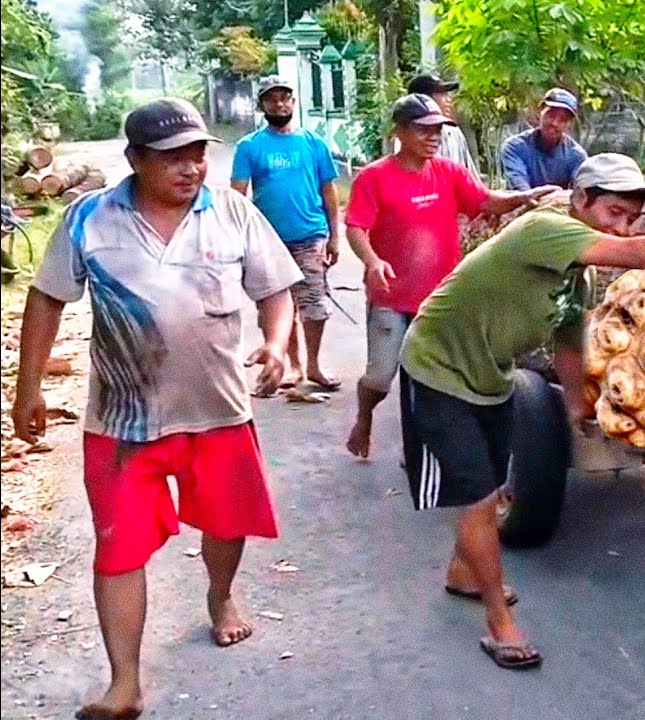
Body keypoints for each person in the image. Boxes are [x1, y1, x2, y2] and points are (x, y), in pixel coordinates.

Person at [396, 153, 645, 670]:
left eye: (631, 218)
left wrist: (576, 405)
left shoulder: (576, 279)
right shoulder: (543, 228)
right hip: (438, 368)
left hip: (490, 375)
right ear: (580, 200)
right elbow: (639, 252)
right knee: (479, 497)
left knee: (486, 480)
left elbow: (567, 342)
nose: (622, 226)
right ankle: (500, 622)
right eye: (613, 212)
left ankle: (462, 573)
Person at [10, 98, 299, 720]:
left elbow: (276, 290)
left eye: (197, 154)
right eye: (172, 157)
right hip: (122, 422)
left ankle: (220, 594)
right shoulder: (89, 218)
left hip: (219, 410)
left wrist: (277, 345)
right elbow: (46, 299)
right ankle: (125, 684)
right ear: (135, 159)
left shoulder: (232, 212)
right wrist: (27, 387)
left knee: (227, 523)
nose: (190, 167)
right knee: (118, 548)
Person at [344, 94, 556, 459]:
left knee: (429, 379)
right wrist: (372, 261)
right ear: (400, 132)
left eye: (438, 130)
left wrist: (524, 197)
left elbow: (485, 201)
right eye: (423, 130)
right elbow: (356, 227)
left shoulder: (448, 172)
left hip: (441, 298)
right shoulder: (373, 177)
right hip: (391, 295)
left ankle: (418, 453)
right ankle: (364, 417)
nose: (433, 137)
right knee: (380, 377)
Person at [231, 75, 343, 391]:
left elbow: (329, 192)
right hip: (268, 240)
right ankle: (293, 366)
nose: (279, 104)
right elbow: (237, 195)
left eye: (284, 98)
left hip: (311, 235)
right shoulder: (250, 146)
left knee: (314, 304)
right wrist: (240, 239)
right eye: (272, 99)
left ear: (293, 102)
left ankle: (314, 365)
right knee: (280, 305)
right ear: (262, 105)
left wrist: (335, 236)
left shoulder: (314, 143)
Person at [499, 88, 588, 190]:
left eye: (563, 120)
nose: (554, 123)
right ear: (540, 112)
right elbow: (520, 188)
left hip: (561, 200)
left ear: (569, 125)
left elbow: (581, 191)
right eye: (551, 115)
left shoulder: (576, 155)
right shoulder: (515, 147)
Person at [406, 72, 480, 177]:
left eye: (447, 94)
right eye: (441, 94)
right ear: (424, 100)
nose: (448, 99)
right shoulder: (408, 136)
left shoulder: (454, 131)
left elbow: (469, 175)